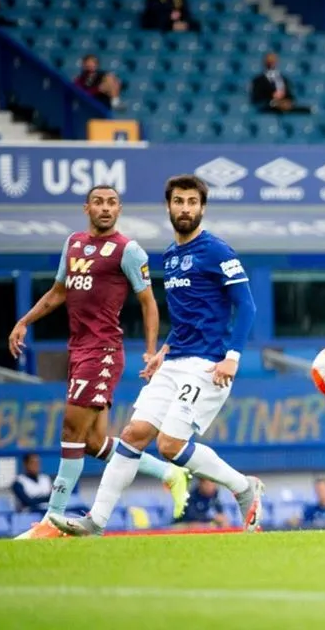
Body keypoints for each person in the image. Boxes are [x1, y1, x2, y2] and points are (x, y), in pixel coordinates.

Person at [50, 175, 263, 537]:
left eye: (192, 202)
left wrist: (233, 357)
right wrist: (163, 350)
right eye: (179, 201)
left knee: (169, 446)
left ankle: (244, 487)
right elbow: (186, 317)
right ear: (169, 207)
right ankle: (95, 522)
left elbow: (247, 306)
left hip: (207, 364)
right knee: (133, 434)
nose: (185, 208)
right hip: (176, 359)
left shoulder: (217, 251)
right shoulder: (171, 254)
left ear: (202, 208)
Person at [8, 185, 187, 539]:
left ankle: (52, 521)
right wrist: (24, 321)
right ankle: (169, 474)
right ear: (86, 207)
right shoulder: (73, 243)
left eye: (112, 203)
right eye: (99, 202)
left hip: (103, 351)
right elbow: (58, 292)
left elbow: (150, 303)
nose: (105, 208)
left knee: (70, 430)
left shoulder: (128, 250)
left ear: (119, 209)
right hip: (79, 351)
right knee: (92, 442)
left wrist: (151, 352)